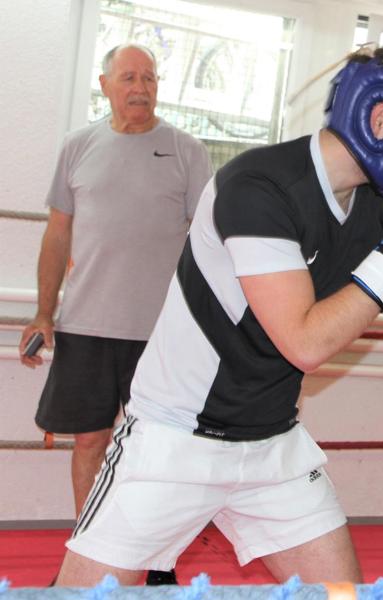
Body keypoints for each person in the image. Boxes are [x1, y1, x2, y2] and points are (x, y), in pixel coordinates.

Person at [52, 42, 383, 587]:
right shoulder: (258, 187)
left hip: (273, 447)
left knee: (343, 597)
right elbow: (305, 341)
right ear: (382, 115)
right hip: (174, 442)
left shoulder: (382, 199)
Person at [19, 44, 212, 585]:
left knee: (164, 450)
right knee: (89, 441)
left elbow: (208, 241)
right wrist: (42, 313)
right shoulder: (77, 147)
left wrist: (207, 323)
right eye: (129, 77)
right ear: (104, 85)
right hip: (85, 325)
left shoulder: (185, 150)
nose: (141, 87)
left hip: (162, 333)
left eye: (149, 77)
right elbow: (57, 235)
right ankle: (92, 551)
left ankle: (156, 560)